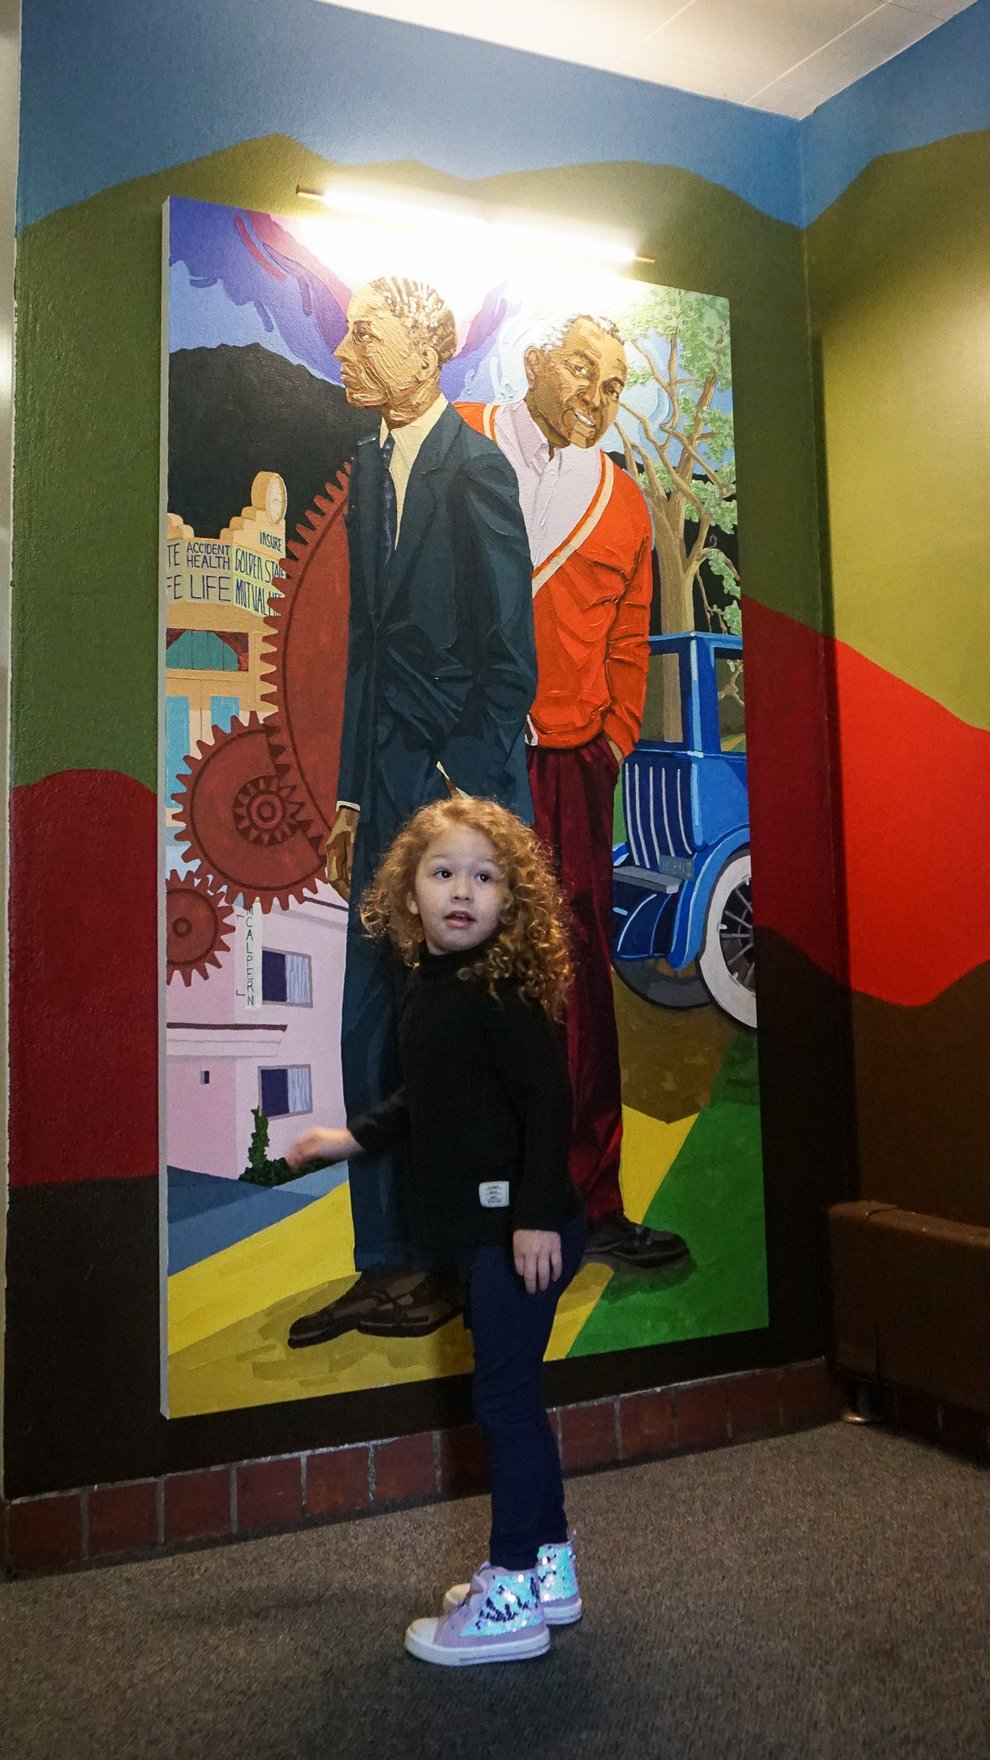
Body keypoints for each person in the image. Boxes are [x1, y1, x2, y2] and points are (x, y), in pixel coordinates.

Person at [288, 277, 537, 1348]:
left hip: (453, 798)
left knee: (456, 1030)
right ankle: (385, 1259)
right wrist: (352, 795)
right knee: (370, 1018)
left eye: (367, 335)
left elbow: (510, 658)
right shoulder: (366, 465)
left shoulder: (474, 467)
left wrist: (462, 794)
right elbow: (367, 652)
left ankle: (452, 1257)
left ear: (426, 353)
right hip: (381, 787)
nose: (345, 350)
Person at [286, 796, 587, 1665]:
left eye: (484, 877)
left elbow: (548, 1100)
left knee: (503, 1405)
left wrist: (533, 1217)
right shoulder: (436, 986)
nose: (462, 890)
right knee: (514, 1401)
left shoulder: (499, 991)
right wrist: (350, 1138)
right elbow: (427, 1097)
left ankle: (512, 1591)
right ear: (408, 893)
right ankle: (549, 1567)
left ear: (510, 900)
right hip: (492, 1236)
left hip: (520, 1236)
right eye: (443, 872)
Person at [458, 314, 689, 1270]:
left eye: (613, 385)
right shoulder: (458, 438)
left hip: (569, 764)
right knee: (459, 976)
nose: (595, 397)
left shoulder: (623, 501)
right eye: (580, 370)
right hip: (463, 759)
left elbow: (631, 637)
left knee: (578, 979)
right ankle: (468, 1221)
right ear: (534, 361)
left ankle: (592, 1204)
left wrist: (613, 741)